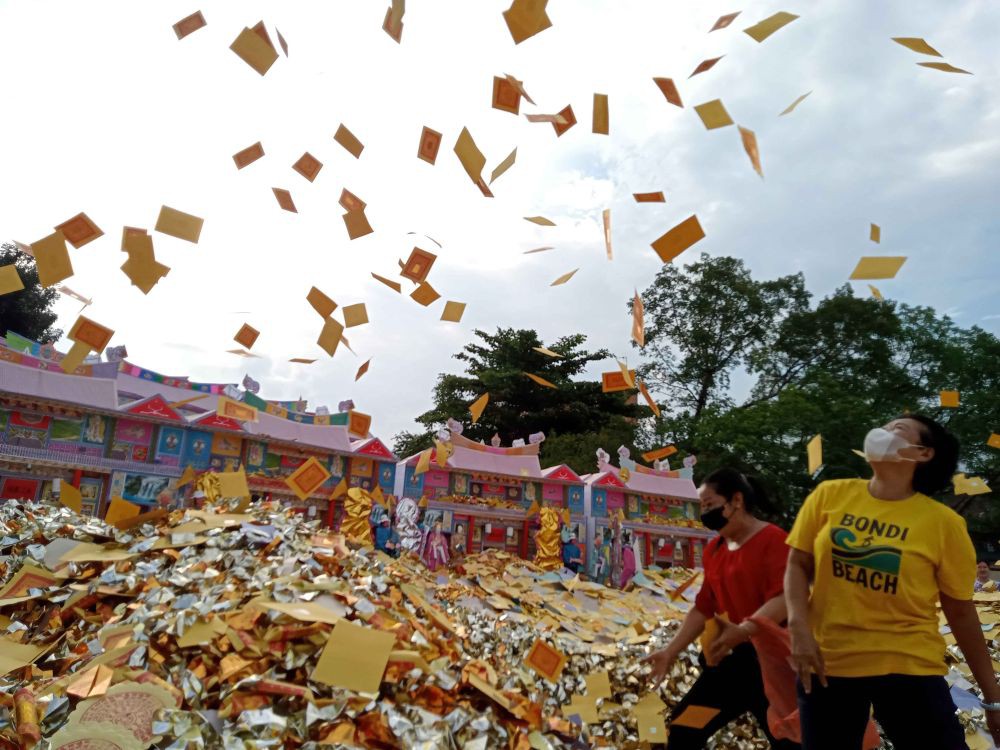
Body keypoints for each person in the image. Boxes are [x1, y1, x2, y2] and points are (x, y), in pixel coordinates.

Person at [786, 415, 1000, 749]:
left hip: (910, 667)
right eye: (883, 428)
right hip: (829, 664)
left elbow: (960, 611)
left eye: (896, 430)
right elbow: (797, 565)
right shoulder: (830, 495)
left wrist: (992, 698)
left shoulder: (944, 523)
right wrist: (798, 629)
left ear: (923, 453)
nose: (882, 433)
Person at [643, 468, 799, 750]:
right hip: (734, 666)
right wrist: (670, 651)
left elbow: (785, 598)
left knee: (790, 739)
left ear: (736, 501)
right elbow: (703, 608)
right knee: (684, 728)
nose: (705, 513)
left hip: (776, 664)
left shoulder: (774, 541)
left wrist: (745, 630)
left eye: (709, 505)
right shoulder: (715, 550)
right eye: (702, 506)